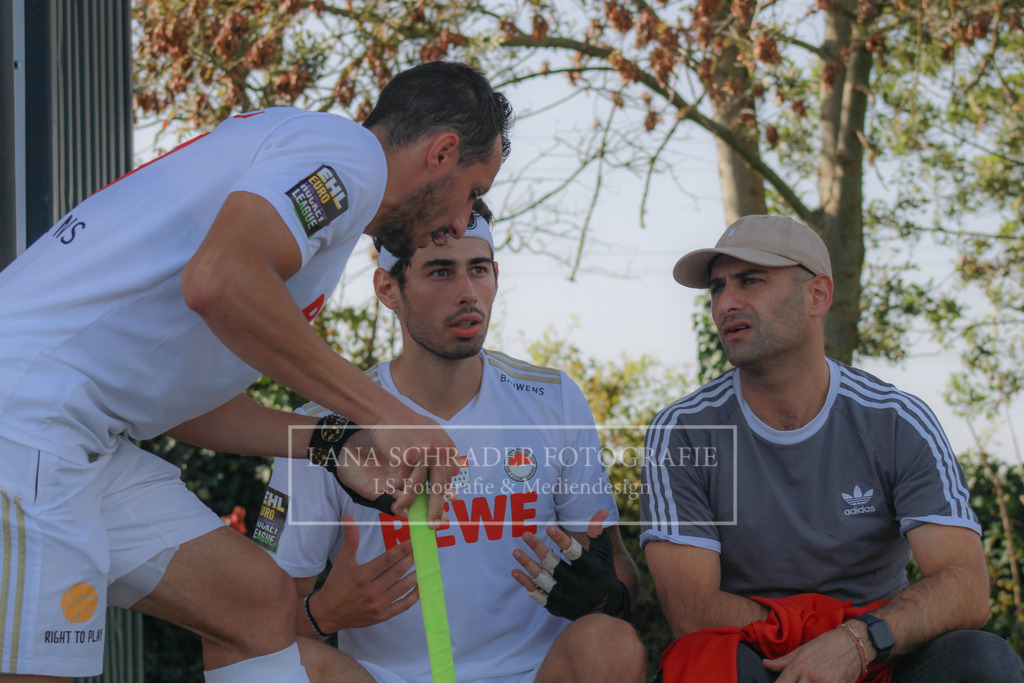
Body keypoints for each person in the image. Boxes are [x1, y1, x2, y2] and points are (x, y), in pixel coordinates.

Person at [0, 61, 513, 681]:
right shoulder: (349, 155)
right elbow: (218, 279)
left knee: (255, 602)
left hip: (77, 427)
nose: (463, 221)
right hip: (27, 413)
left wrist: (331, 441)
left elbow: (182, 402)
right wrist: (385, 412)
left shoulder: (310, 193)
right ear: (442, 153)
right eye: (474, 191)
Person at [259, 206, 647, 682]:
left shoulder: (552, 397)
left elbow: (619, 570)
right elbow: (257, 628)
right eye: (440, 271)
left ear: (495, 277)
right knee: (290, 667)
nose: (467, 293)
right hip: (385, 677)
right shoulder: (322, 429)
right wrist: (324, 613)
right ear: (387, 289)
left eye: (478, 270)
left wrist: (607, 596)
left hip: (535, 674)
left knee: (612, 643)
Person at [641, 215, 1024, 682]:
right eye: (718, 288)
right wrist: (818, 643)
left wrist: (855, 643)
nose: (726, 303)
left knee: (984, 660)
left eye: (751, 280)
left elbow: (965, 588)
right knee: (706, 663)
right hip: (756, 656)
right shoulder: (682, 431)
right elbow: (693, 610)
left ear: (817, 295)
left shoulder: (897, 420)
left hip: (879, 648)